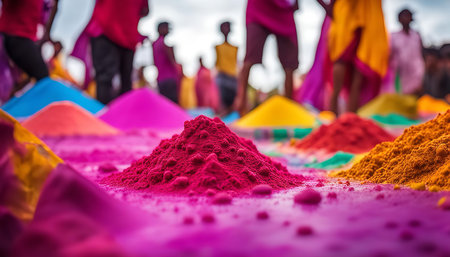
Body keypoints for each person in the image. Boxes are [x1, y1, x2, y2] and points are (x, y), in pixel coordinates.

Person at [317, 0, 389, 115]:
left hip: (370, 12)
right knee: (341, 58)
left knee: (361, 66)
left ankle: (351, 119)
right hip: (346, 11)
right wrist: (327, 7)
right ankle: (333, 115)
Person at [234, 0, 299, 114]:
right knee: (249, 58)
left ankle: (289, 109)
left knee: (289, 65)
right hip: (259, 6)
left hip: (284, 7)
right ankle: (241, 106)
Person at [85, 0, 149, 104]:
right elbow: (145, 10)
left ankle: (106, 115)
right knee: (122, 83)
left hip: (117, 33)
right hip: (111, 31)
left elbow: (145, 9)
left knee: (107, 79)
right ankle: (113, 116)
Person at [0, 0, 59, 85]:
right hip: (14, 35)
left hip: (25, 38)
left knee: (40, 78)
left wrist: (46, 36)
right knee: (43, 78)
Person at [386, 9, 424, 95]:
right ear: (399, 19)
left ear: (411, 18)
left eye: (408, 16)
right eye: (403, 16)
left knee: (415, 97)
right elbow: (389, 55)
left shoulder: (416, 36)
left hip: (416, 73)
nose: (405, 18)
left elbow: (421, 54)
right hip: (399, 74)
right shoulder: (393, 36)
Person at [152, 22, 180, 104]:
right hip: (169, 79)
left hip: (160, 80)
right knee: (173, 104)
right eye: (167, 28)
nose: (168, 30)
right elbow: (173, 61)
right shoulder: (164, 44)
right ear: (160, 29)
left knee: (165, 104)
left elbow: (154, 62)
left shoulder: (154, 44)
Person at [215, 21, 238, 114]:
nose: (226, 29)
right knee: (223, 102)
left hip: (233, 76)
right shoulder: (217, 47)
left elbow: (236, 62)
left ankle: (231, 121)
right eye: (224, 27)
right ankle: (224, 122)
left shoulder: (235, 47)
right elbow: (216, 62)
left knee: (232, 102)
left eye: (227, 27)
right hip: (222, 76)